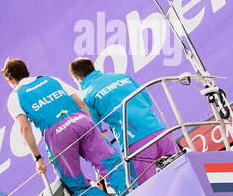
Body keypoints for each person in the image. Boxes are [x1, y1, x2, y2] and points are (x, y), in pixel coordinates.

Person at [1, 58, 123, 196]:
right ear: (27, 71)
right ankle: (132, 191)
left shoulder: (15, 96)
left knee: (75, 183)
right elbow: (81, 103)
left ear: (11, 81)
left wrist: (38, 159)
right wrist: (95, 128)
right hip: (82, 121)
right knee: (111, 164)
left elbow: (25, 128)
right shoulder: (50, 79)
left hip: (58, 135)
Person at [69, 58, 179, 187]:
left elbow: (94, 128)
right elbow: (147, 100)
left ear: (78, 78)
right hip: (159, 131)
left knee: (149, 190)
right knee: (185, 172)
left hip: (134, 143)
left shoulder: (87, 96)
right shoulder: (122, 77)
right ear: (92, 67)